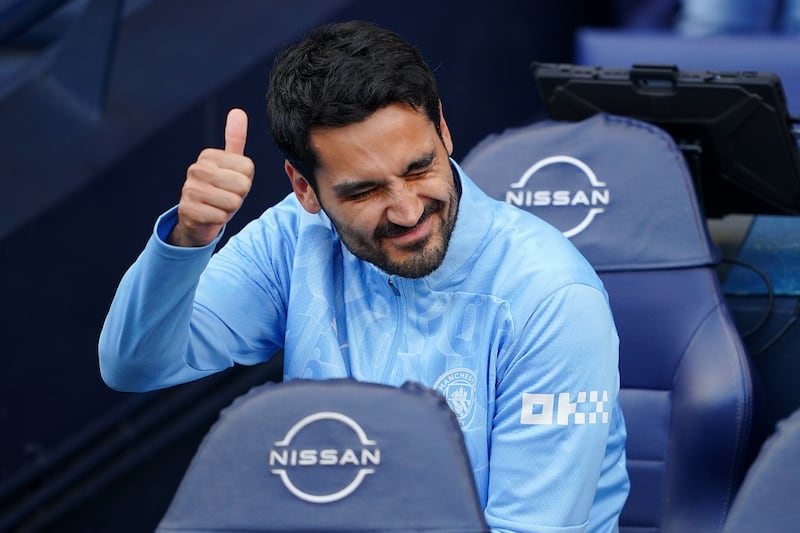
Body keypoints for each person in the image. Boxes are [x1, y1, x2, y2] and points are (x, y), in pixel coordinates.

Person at [99, 20, 629, 532]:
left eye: (419, 168)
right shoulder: (292, 235)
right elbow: (136, 366)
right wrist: (187, 241)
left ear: (443, 129)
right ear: (304, 189)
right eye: (364, 191)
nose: (405, 210)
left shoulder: (554, 297)